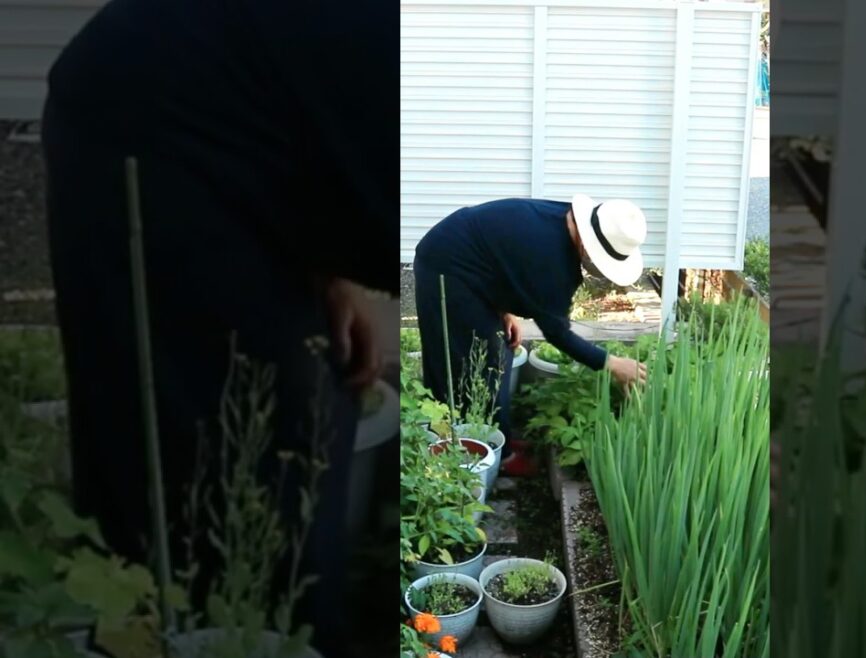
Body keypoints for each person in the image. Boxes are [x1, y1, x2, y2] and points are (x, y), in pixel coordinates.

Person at [41, 1, 394, 656]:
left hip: (265, 124)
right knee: (206, 493)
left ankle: (294, 628)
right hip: (156, 118)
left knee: (306, 429)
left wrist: (328, 271)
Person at [413, 195, 649, 472]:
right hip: (445, 266)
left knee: (498, 355)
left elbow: (504, 256)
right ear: (587, 243)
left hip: (468, 260)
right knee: (467, 367)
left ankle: (496, 441)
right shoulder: (553, 260)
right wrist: (612, 363)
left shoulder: (561, 218)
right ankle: (472, 454)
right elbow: (557, 333)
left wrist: (504, 309)